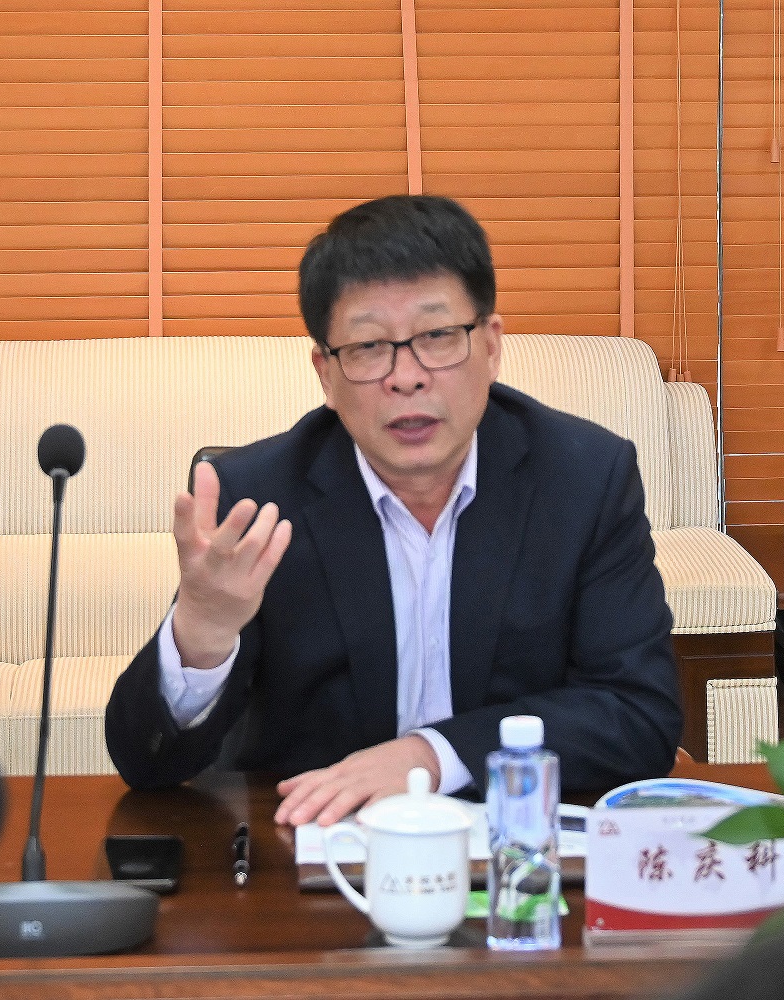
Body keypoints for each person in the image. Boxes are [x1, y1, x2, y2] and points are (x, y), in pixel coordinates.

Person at [105, 194, 683, 827]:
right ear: (325, 373)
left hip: (515, 847)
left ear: (491, 346)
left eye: (437, 337)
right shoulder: (259, 499)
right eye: (368, 347)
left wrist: (432, 756)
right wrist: (202, 634)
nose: (406, 377)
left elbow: (640, 714)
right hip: (317, 851)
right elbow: (147, 764)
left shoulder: (583, 478)